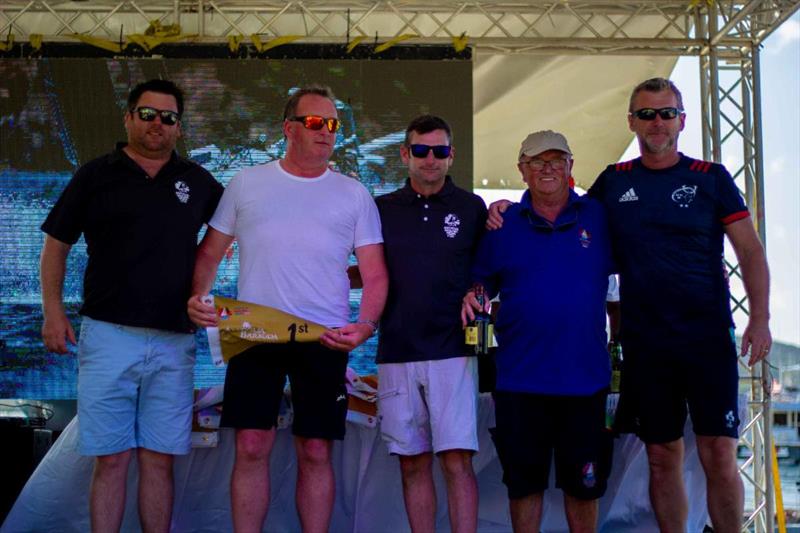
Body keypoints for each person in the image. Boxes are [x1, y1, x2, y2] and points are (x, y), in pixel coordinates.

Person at [488, 78, 772, 532]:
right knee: (662, 456)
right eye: (646, 114)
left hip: (708, 339)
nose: (656, 122)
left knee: (718, 451)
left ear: (681, 119)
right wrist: (506, 206)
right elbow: (560, 206)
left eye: (665, 113)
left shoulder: (711, 178)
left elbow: (750, 252)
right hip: (646, 343)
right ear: (631, 122)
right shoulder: (613, 182)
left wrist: (760, 319)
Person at [187, 84, 388, 533]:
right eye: (315, 122)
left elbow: (375, 275)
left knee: (316, 450)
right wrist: (198, 297)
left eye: (332, 124)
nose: (326, 132)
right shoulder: (246, 182)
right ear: (288, 129)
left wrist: (366, 326)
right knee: (252, 445)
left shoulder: (354, 194)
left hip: (325, 338)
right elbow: (210, 253)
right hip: (254, 332)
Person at [40, 79, 224, 532]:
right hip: (107, 335)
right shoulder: (95, 174)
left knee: (159, 460)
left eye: (168, 117)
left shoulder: (198, 182)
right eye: (147, 114)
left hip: (174, 341)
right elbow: (55, 244)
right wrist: (52, 311)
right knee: (112, 459)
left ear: (179, 127)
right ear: (127, 117)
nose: (157, 124)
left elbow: (231, 236)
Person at [464, 130, 613, 533]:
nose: (547, 168)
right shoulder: (503, 223)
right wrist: (474, 295)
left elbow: (644, 260)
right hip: (519, 380)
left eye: (556, 160)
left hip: (584, 380)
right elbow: (482, 283)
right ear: (522, 170)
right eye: (536, 161)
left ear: (570, 166)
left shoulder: (599, 216)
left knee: (583, 489)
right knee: (523, 487)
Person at [375, 115, 487, 532]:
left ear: (451, 155)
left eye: (439, 151)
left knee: (456, 461)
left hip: (452, 350)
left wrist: (478, 289)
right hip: (396, 351)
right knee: (412, 463)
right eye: (421, 151)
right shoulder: (381, 208)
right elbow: (364, 272)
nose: (430, 160)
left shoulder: (471, 207)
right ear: (405, 154)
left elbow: (487, 269)